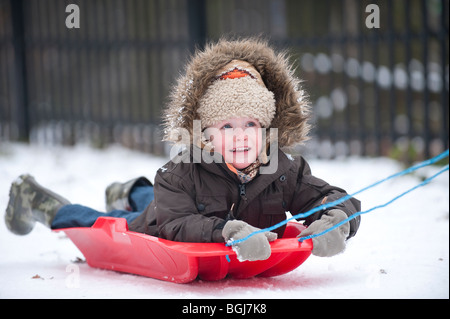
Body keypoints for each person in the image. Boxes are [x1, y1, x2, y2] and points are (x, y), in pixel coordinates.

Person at [5, 38, 361, 261]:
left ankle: (130, 190)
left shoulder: (282, 170)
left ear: (267, 129)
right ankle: (34, 197)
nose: (241, 137)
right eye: (227, 126)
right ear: (205, 133)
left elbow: (330, 197)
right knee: (104, 223)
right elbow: (174, 221)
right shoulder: (182, 171)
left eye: (251, 124)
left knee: (159, 199)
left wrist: (335, 221)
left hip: (175, 204)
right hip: (161, 221)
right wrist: (226, 232)